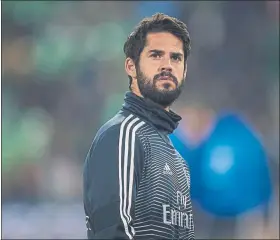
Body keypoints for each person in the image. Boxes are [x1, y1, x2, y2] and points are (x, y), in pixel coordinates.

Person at [83, 13, 194, 239]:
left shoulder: (179, 162)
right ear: (131, 66)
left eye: (176, 58)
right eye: (156, 55)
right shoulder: (123, 134)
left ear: (184, 71)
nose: (167, 65)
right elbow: (112, 232)